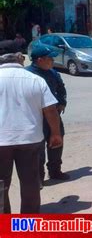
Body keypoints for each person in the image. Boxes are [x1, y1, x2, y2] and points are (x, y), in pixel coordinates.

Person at [0, 52, 62, 213]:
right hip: (30, 140)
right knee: (30, 184)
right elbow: (50, 109)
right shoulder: (35, 79)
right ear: (20, 60)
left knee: (0, 184)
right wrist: (56, 133)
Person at [26, 45, 69, 182]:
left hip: (53, 115)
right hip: (36, 117)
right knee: (38, 148)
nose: (52, 61)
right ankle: (38, 177)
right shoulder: (27, 75)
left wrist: (62, 102)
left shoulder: (53, 73)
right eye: (49, 58)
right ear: (39, 60)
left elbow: (61, 88)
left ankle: (55, 171)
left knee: (57, 142)